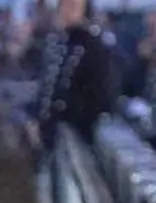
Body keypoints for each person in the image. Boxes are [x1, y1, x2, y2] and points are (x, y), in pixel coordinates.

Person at [37, 0, 114, 152]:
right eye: (63, 5)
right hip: (51, 132)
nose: (65, 11)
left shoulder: (94, 46)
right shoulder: (56, 42)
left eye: (72, 6)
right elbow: (46, 85)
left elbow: (102, 95)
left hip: (77, 133)